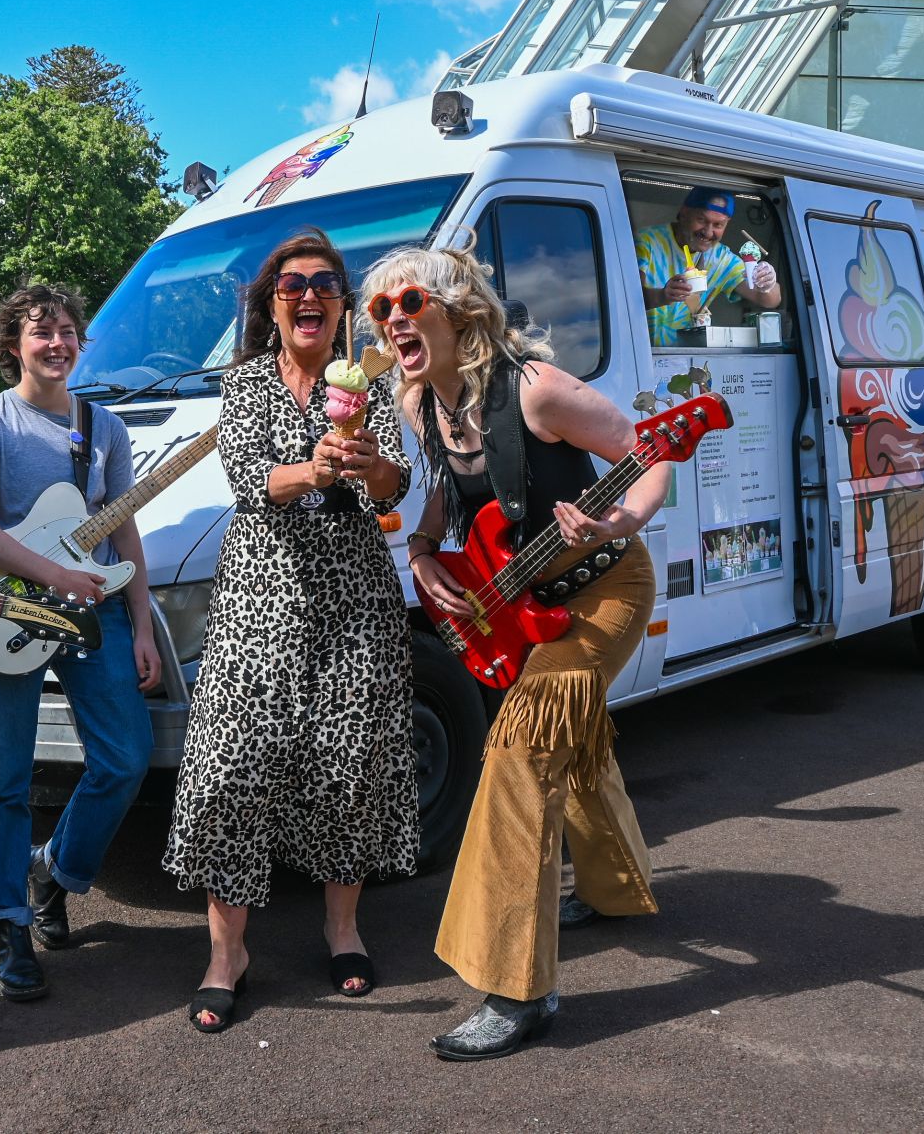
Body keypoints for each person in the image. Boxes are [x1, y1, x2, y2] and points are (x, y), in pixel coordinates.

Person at [362, 239, 670, 1062]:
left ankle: (515, 987)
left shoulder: (534, 390)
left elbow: (647, 453)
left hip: (606, 588)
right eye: (381, 309)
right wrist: (425, 559)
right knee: (565, 741)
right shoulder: (425, 405)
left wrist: (619, 521)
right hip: (526, 604)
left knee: (518, 755)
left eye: (408, 303)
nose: (393, 321)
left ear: (458, 310)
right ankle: (615, 888)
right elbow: (437, 510)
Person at [162, 228, 417, 1034]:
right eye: (291, 283)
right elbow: (248, 478)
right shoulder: (244, 385)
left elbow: (399, 482)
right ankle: (225, 953)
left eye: (326, 282)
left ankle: (343, 929)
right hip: (261, 598)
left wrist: (370, 464)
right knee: (232, 766)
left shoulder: (373, 380)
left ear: (344, 305)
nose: (309, 294)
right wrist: (316, 467)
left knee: (349, 761)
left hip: (355, 598)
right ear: (271, 305)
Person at [0, 284, 159, 1003]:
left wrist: (141, 618)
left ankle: (56, 872)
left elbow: (119, 524)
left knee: (126, 756)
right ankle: (8, 927)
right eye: (43, 331)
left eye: (69, 330)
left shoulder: (104, 428)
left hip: (93, 610)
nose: (59, 341)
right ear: (14, 346)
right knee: (4, 778)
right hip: (5, 611)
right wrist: (54, 574)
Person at [636, 186, 782, 345]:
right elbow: (625, 298)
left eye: (718, 225)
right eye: (701, 220)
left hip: (681, 360)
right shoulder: (646, 242)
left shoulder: (721, 258)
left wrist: (767, 283)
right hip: (637, 354)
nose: (708, 232)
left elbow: (771, 300)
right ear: (684, 213)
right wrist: (662, 296)